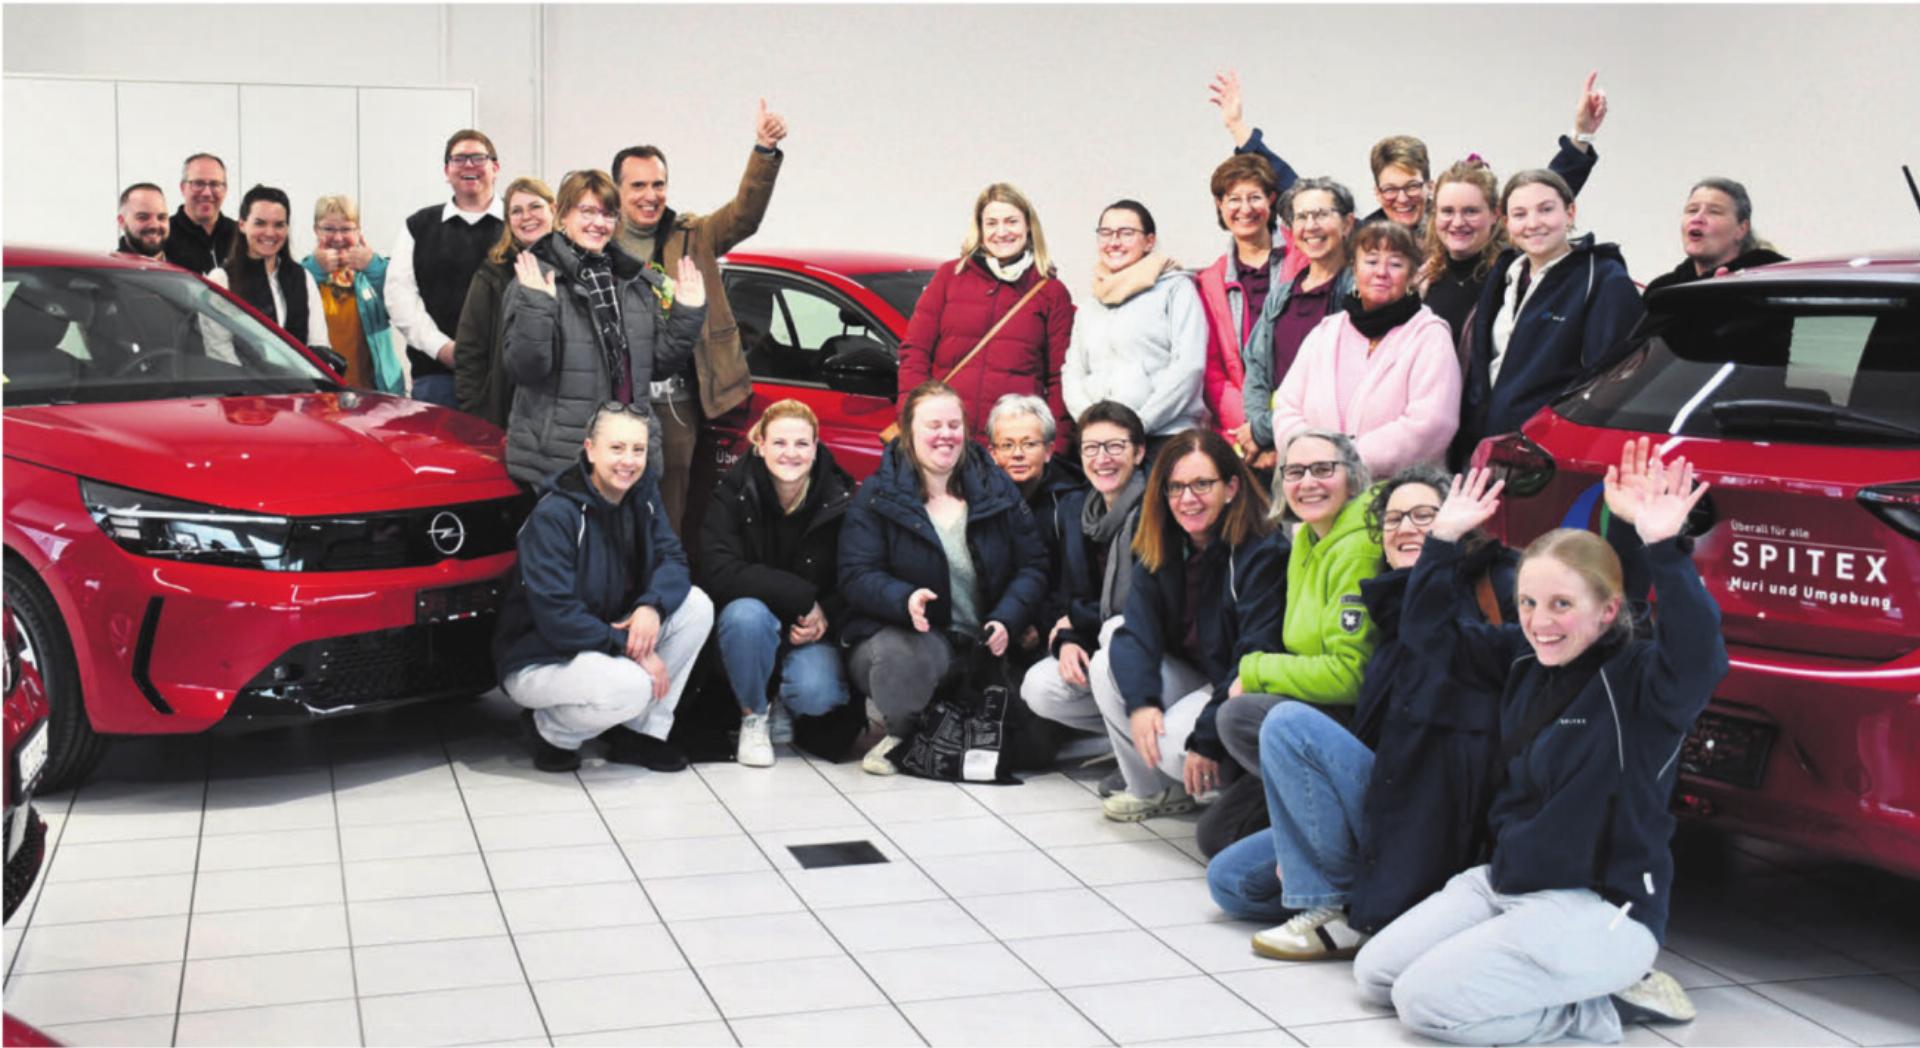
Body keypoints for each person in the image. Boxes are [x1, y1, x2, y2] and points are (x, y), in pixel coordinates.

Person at [1353, 454, 1725, 1046]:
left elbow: (1702, 655)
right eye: (1528, 603)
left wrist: (1663, 547)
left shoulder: (1645, 685)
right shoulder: (1522, 659)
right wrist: (1443, 539)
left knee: (1424, 1006)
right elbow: (1428, 636)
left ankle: (1597, 1012)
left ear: (1607, 611)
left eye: (1561, 605)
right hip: (1507, 883)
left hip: (1603, 907)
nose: (1540, 622)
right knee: (1376, 974)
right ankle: (1565, 981)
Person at [1206, 464, 1510, 949]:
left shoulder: (1470, 596)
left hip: (1427, 804)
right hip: (1380, 786)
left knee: (1285, 723)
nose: (1405, 528)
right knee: (1230, 881)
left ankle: (1332, 908)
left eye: (1424, 516)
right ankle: (1351, 891)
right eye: (1392, 520)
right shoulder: (1388, 603)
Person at [838, 381, 1050, 775]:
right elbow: (855, 574)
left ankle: (938, 727)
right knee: (901, 660)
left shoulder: (995, 486)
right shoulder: (877, 493)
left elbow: (1033, 564)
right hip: (912, 637)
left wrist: (1007, 617)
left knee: (1035, 746)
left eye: (954, 424)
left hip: (985, 647)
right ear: (908, 432)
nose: (945, 435)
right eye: (933, 424)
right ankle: (905, 729)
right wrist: (904, 599)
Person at [493, 401, 715, 773]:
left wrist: (651, 607)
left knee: (696, 606)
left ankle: (639, 734)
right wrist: (633, 648)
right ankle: (550, 730)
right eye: (617, 448)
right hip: (541, 655)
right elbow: (558, 619)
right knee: (632, 685)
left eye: (638, 450)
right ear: (590, 449)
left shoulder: (642, 494)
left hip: (605, 638)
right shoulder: (555, 515)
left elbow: (673, 559)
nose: (628, 460)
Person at [1198, 429, 1383, 854]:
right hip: (1309, 706)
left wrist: (1256, 670)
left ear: (1352, 478)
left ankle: (1342, 825)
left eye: (1323, 469)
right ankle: (1311, 822)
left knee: (1238, 715)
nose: (1308, 482)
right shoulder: (1305, 539)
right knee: (1217, 838)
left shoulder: (1358, 549)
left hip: (1352, 723)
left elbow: (1350, 676)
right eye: (1295, 471)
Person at [611, 98, 788, 533]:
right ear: (616, 190)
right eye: (638, 186)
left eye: (659, 184)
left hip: (675, 401)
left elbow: (744, 215)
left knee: (669, 509)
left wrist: (763, 152)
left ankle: (660, 589)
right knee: (611, 503)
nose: (650, 196)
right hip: (612, 395)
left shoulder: (694, 235)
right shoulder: (597, 241)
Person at [1090, 428, 1285, 821]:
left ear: (1231, 487)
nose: (1187, 499)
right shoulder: (1160, 540)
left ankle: (1214, 777)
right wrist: (1141, 703)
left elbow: (1254, 654)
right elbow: (1138, 630)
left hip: (1234, 682)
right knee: (1109, 649)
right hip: (1193, 671)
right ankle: (1153, 791)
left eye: (1201, 484)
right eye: (1176, 487)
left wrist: (1208, 737)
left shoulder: (1262, 550)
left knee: (1179, 744)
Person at [1211, 70, 1607, 237]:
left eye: (1411, 186)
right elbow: (1300, 194)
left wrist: (1580, 136)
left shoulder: (1460, 222)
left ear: (1430, 184)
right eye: (1390, 190)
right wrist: (1239, 129)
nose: (1402, 198)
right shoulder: (1365, 234)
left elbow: (1533, 201)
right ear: (1376, 191)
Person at [502, 170, 707, 490]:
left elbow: (657, 367)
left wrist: (687, 313)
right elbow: (525, 370)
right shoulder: (535, 279)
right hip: (563, 459)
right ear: (562, 215)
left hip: (627, 457)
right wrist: (537, 308)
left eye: (608, 214)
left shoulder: (633, 281)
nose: (599, 223)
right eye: (587, 211)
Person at [699, 399, 856, 768]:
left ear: (816, 449)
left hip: (807, 631)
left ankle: (781, 698)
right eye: (780, 443)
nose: (791, 453)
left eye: (802, 444)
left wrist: (824, 617)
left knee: (818, 693)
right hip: (750, 627)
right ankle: (753, 715)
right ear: (761, 445)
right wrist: (803, 599)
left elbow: (854, 577)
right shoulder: (731, 493)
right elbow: (718, 570)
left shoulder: (842, 499)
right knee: (745, 616)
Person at [1453, 169, 1646, 467]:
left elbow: (1612, 383)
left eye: (1546, 209)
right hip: (1490, 450)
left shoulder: (1604, 279)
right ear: (1505, 222)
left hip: (1549, 458)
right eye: (1519, 214)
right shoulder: (1505, 274)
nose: (1533, 224)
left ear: (1570, 212)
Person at [1419, 74, 1612, 346]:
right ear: (1434, 214)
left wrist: (1581, 136)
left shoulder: (1511, 269)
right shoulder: (1425, 277)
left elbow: (1543, 193)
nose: (1457, 222)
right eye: (1447, 211)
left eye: (1471, 211)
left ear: (1497, 213)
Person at [1270, 221, 1460, 478]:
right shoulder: (1326, 332)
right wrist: (1314, 461)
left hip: (1401, 499)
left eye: (1395, 264)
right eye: (1371, 262)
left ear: (1413, 274)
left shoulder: (1429, 335)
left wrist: (1345, 463)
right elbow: (1287, 407)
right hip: (1320, 490)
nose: (1382, 272)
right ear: (1354, 268)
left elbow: (1432, 424)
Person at [896, 183, 1077, 453]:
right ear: (980, 230)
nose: (1001, 232)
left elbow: (1060, 378)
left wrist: (1055, 447)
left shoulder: (1051, 292)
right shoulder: (949, 277)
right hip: (950, 440)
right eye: (991, 223)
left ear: (1029, 227)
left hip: (1011, 447)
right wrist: (912, 419)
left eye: (1011, 221)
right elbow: (915, 354)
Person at [1020, 401, 1149, 746]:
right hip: (1101, 635)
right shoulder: (1078, 511)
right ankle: (1130, 742)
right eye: (1091, 448)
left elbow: (1136, 607)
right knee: (1040, 687)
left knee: (1113, 634)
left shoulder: (1155, 511)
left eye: (1115, 446)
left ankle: (1149, 763)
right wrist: (1068, 641)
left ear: (1138, 453)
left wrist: (1074, 621)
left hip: (1154, 648)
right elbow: (1069, 594)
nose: (1102, 458)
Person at [1062, 199, 1208, 441]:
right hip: (1104, 442)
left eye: (1126, 233)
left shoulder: (1176, 289)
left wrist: (1141, 424)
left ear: (1149, 241)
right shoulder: (1090, 305)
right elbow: (1073, 371)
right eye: (1106, 233)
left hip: (1165, 435)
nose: (1114, 242)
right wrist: (1092, 424)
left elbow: (1189, 366)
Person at [1236, 178, 1358, 469]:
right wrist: (1261, 434)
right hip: (1274, 448)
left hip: (1332, 451)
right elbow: (1256, 369)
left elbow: (1342, 386)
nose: (1311, 226)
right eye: (1301, 217)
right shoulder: (1282, 294)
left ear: (1347, 224)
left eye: (1322, 214)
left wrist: (1266, 430)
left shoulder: (1358, 294)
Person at [386, 129, 505, 406]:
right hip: (436, 377)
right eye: (459, 159)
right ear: (446, 170)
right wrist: (443, 349)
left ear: (495, 167)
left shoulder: (519, 223)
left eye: (478, 158)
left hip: (506, 376)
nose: (468, 165)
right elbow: (399, 297)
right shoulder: (419, 225)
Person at [1197, 154, 1300, 446]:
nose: (1245, 209)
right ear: (1220, 204)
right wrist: (1253, 430)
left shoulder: (1303, 258)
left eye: (1254, 197)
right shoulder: (1210, 281)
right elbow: (1213, 372)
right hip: (1241, 434)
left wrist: (1276, 427)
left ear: (1271, 199)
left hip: (1303, 418)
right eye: (1233, 199)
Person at [988, 393, 1084, 662]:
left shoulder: (1070, 501)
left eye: (1029, 444)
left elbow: (1072, 579)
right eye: (1007, 445)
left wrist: (1040, 624)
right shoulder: (980, 498)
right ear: (992, 453)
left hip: (1050, 624)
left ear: (1050, 450)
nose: (1017, 454)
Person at [456, 176, 556, 426]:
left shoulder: (576, 268)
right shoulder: (493, 274)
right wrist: (476, 413)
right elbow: (470, 349)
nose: (527, 217)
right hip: (506, 413)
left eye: (535, 207)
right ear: (509, 221)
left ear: (553, 209)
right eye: (516, 211)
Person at [301, 195, 403, 394]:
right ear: (315, 230)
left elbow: (401, 305)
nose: (338, 238)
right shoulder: (301, 273)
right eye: (328, 229)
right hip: (319, 393)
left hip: (374, 393)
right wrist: (316, 268)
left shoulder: (374, 272)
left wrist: (373, 266)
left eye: (346, 229)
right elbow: (289, 307)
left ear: (358, 231)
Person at [207, 185, 328, 351]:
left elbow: (319, 343)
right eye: (260, 223)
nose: (270, 233)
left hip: (298, 377)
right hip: (239, 376)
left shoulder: (303, 277)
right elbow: (218, 347)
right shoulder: (221, 279)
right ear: (242, 225)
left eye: (279, 225)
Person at [1643, 178, 1788, 295]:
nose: (1697, 218)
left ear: (1741, 229)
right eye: (1692, 210)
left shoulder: (1771, 281)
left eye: (1714, 212)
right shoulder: (1662, 291)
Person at [163, 153, 237, 275]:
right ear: (183, 188)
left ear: (225, 189)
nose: (207, 193)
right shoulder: (163, 235)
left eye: (214, 184)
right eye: (198, 184)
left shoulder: (241, 236)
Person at [115, 184, 169, 258]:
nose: (154, 225)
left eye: (161, 217)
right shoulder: (109, 268)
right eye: (143, 217)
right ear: (122, 221)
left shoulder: (184, 265)